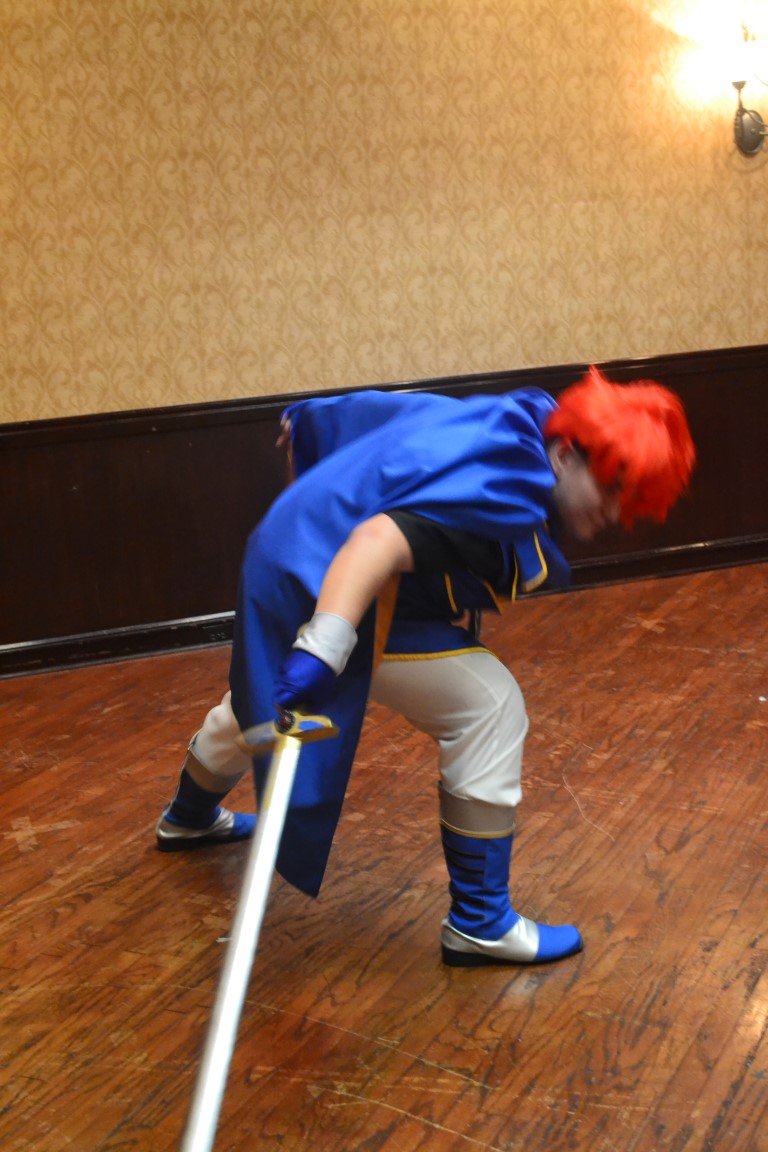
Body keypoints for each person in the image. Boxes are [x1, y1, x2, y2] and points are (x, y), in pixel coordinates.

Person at [156, 367, 695, 966]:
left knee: (266, 704)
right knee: (488, 705)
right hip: (331, 579)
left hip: (295, 548)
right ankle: (480, 922)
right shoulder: (496, 488)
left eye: (630, 500)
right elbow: (375, 543)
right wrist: (322, 647)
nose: (616, 513)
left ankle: (189, 817)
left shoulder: (523, 420)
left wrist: (310, 419)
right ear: (567, 454)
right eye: (613, 488)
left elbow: (394, 414)